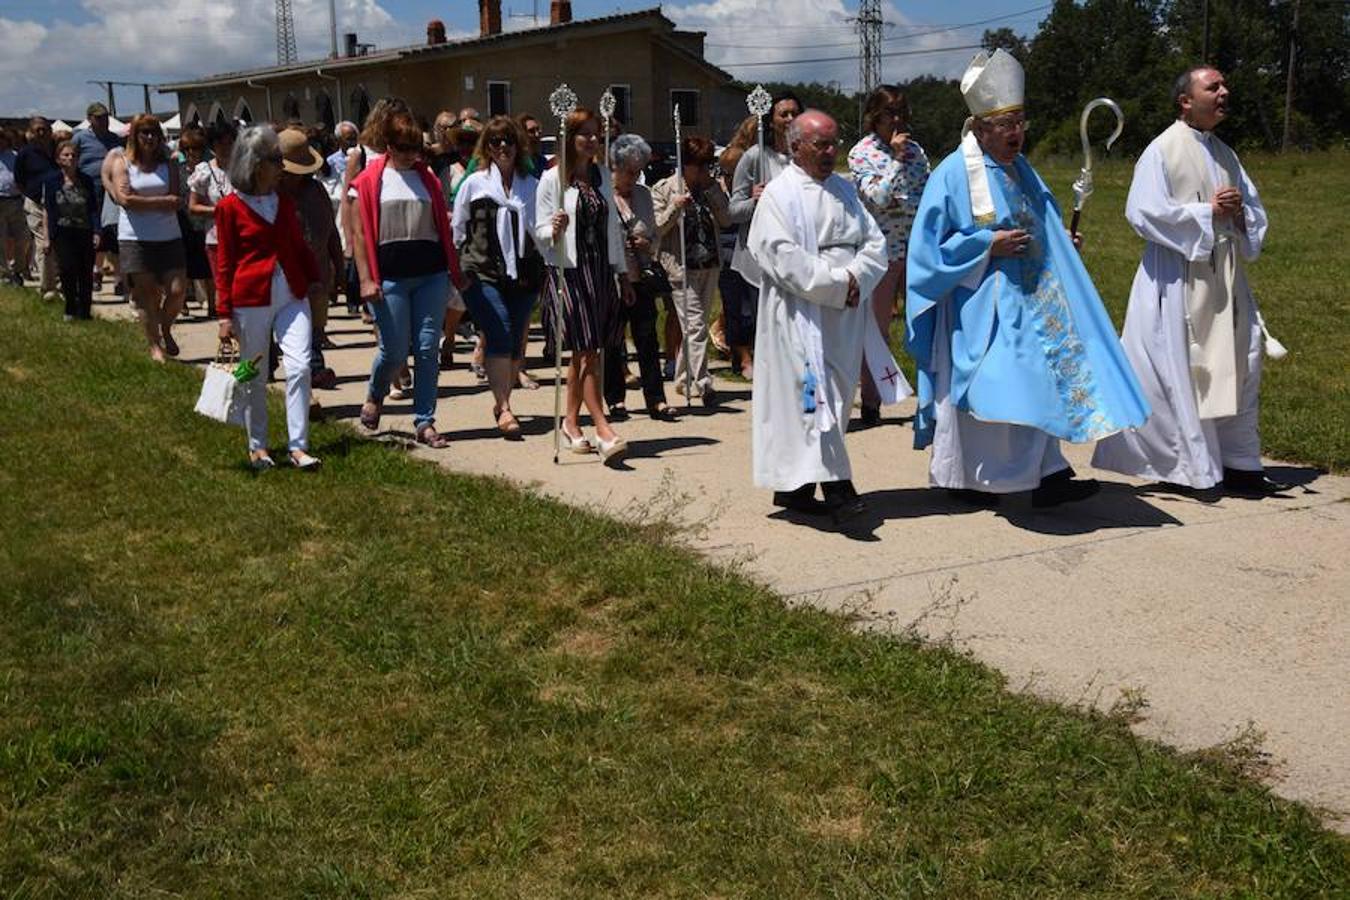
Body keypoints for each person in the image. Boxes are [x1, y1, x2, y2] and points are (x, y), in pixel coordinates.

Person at [905, 49, 1149, 507]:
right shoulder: (954, 174)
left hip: (1034, 300)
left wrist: (1059, 244)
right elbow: (927, 253)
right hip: (981, 305)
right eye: (1005, 124)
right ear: (980, 129)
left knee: (1043, 377)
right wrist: (985, 246)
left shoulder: (1022, 169)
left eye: (1020, 121)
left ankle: (1047, 473)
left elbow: (1041, 222)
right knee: (1000, 385)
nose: (1016, 133)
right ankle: (972, 479)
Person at [1091, 66, 1282, 499]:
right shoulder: (1162, 150)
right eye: (1213, 87)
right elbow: (1141, 212)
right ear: (1185, 101)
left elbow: (1255, 215)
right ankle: (1187, 466)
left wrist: (1237, 215)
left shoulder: (1226, 154)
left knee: (1240, 361)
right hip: (1175, 277)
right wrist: (1205, 215)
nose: (1224, 92)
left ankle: (1239, 462)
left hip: (1224, 277)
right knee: (1180, 369)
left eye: (1223, 85)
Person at [746, 110, 902, 531]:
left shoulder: (845, 190)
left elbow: (874, 243)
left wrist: (858, 279)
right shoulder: (779, 195)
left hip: (845, 311)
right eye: (821, 145)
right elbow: (779, 255)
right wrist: (836, 283)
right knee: (813, 398)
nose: (832, 152)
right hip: (801, 314)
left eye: (835, 143)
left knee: (833, 394)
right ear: (795, 146)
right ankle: (838, 487)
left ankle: (795, 490)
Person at [350, 111, 468, 449]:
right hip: (389, 276)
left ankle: (425, 421)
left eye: (415, 147)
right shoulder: (370, 180)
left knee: (429, 347)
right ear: (388, 145)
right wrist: (365, 279)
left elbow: (441, 224)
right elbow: (358, 234)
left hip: (430, 272)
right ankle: (376, 392)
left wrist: (454, 269)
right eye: (402, 147)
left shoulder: (427, 177)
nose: (409, 154)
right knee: (395, 350)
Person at [214, 125, 323, 470]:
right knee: (253, 374)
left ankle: (298, 446)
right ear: (256, 163)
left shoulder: (284, 202)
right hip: (250, 299)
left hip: (292, 293)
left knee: (300, 366)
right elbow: (225, 262)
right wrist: (223, 314)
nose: (282, 166)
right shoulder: (230, 207)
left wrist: (317, 279)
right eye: (277, 159)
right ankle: (257, 445)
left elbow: (297, 245)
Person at [534, 107, 633, 465]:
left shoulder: (602, 174)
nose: (592, 140)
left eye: (596, 134)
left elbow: (612, 230)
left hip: (600, 271)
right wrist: (554, 229)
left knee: (587, 353)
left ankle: (571, 422)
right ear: (569, 138)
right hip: (570, 272)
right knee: (588, 351)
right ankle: (603, 428)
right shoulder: (552, 180)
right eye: (585, 134)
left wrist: (622, 273)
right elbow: (539, 232)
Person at [452, 116, 542, 438]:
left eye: (508, 140)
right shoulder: (475, 184)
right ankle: (504, 408)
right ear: (486, 147)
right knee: (500, 331)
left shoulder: (532, 185)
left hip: (524, 273)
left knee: (516, 340)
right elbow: (458, 228)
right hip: (481, 270)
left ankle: (504, 400)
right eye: (495, 141)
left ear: (519, 145)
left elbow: (542, 231)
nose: (502, 146)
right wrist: (456, 268)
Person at [848, 85, 930, 427]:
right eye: (890, 114)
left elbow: (926, 194)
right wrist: (895, 161)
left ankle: (930, 398)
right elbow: (878, 197)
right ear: (874, 117)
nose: (897, 120)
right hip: (880, 254)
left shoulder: (917, 152)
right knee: (877, 329)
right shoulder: (862, 154)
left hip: (917, 250)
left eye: (901, 113)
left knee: (926, 322)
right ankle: (871, 401)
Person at [652, 135, 731, 405]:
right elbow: (657, 228)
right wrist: (675, 208)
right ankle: (704, 382)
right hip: (680, 267)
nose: (702, 171)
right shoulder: (665, 188)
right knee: (696, 324)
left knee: (692, 327)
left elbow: (726, 218)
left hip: (709, 264)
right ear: (685, 164)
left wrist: (713, 193)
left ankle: (684, 378)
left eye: (706, 165)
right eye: (698, 165)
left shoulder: (711, 188)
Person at [108, 114, 187, 362]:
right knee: (147, 294)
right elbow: (125, 200)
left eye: (154, 133)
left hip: (169, 236)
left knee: (177, 290)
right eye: (144, 133)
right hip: (135, 238)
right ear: (135, 136)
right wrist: (161, 202)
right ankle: (154, 345)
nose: (150, 138)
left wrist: (146, 203)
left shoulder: (170, 163)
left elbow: (176, 200)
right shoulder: (123, 163)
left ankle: (165, 327)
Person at [608, 133, 675, 420]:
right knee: (612, 340)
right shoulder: (603, 196)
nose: (634, 178)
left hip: (642, 275)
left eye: (638, 172)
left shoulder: (644, 195)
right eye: (629, 172)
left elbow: (654, 232)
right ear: (615, 167)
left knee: (647, 338)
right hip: (612, 277)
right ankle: (614, 398)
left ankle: (656, 399)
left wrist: (649, 244)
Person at [277, 128, 342, 390]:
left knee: (314, 327)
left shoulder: (316, 191)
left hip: (318, 272)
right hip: (282, 276)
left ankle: (314, 368)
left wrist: (338, 266)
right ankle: (272, 363)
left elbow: (332, 233)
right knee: (282, 329)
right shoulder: (270, 196)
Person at [728, 92, 801, 293]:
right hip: (760, 257)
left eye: (795, 113)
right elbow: (734, 211)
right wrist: (755, 200)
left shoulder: (805, 158)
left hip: (797, 254)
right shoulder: (755, 157)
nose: (790, 119)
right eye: (784, 114)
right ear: (771, 121)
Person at [716, 115, 760, 379]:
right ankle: (741, 355)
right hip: (731, 243)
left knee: (754, 307)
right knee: (736, 304)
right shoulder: (736, 156)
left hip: (756, 243)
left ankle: (752, 352)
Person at [40, 141, 99, 321]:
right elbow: (47, 210)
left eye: (73, 155)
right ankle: (70, 308)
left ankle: (85, 311)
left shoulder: (86, 180)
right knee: (67, 269)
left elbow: (93, 208)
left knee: (85, 272)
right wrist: (46, 237)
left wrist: (97, 231)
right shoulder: (51, 182)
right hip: (62, 232)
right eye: (66, 155)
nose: (70, 158)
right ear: (58, 159)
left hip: (84, 230)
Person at [187, 121, 237, 321]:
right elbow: (193, 206)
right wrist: (218, 210)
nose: (225, 147)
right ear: (213, 146)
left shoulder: (243, 168)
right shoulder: (204, 171)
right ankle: (227, 328)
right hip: (216, 238)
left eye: (229, 143)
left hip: (243, 235)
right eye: (220, 143)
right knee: (223, 285)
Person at [71, 102, 124, 290]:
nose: (103, 121)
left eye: (105, 117)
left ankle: (119, 278)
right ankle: (96, 271)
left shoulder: (115, 139)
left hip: (111, 191)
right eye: (98, 117)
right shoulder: (79, 138)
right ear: (89, 119)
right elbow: (71, 160)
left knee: (113, 232)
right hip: (89, 190)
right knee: (94, 232)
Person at [16, 117, 59, 300]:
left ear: (50, 131)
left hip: (59, 204)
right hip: (36, 204)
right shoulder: (25, 154)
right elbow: (19, 179)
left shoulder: (58, 151)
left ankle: (57, 282)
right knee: (43, 244)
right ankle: (47, 287)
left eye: (45, 129)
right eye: (38, 130)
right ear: (31, 133)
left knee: (57, 245)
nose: (42, 133)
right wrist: (30, 195)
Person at [176, 127, 215, 312]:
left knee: (208, 267)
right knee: (184, 266)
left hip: (205, 223)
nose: (193, 153)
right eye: (189, 149)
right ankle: (181, 302)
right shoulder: (178, 171)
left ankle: (213, 305)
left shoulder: (209, 171)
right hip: (183, 223)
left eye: (197, 149)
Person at [0, 129, 27, 285]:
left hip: (16, 201)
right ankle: (4, 273)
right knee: (0, 239)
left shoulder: (16, 157)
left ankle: (18, 270)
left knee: (21, 238)